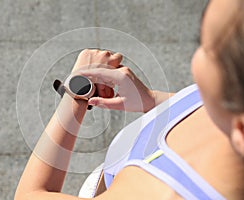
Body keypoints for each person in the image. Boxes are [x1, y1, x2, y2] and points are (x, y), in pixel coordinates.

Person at [15, 0, 244, 199]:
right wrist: (153, 101)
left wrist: (76, 93)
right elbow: (206, 110)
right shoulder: (233, 107)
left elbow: (29, 195)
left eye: (205, 46)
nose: (197, 54)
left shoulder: (162, 192)